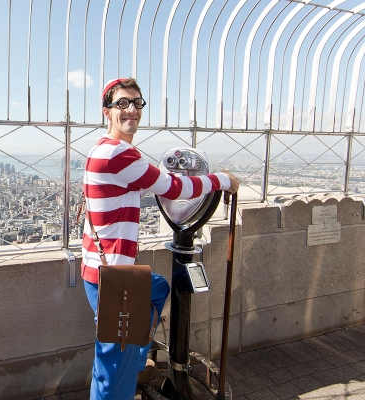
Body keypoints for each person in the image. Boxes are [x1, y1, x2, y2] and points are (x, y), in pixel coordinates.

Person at [81, 78, 239, 400]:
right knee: (112, 379)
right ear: (107, 112)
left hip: (104, 270)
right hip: (112, 279)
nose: (131, 110)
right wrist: (223, 180)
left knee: (158, 287)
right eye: (122, 103)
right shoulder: (118, 155)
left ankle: (138, 359)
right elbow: (176, 189)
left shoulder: (104, 149)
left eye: (137, 103)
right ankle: (130, 367)